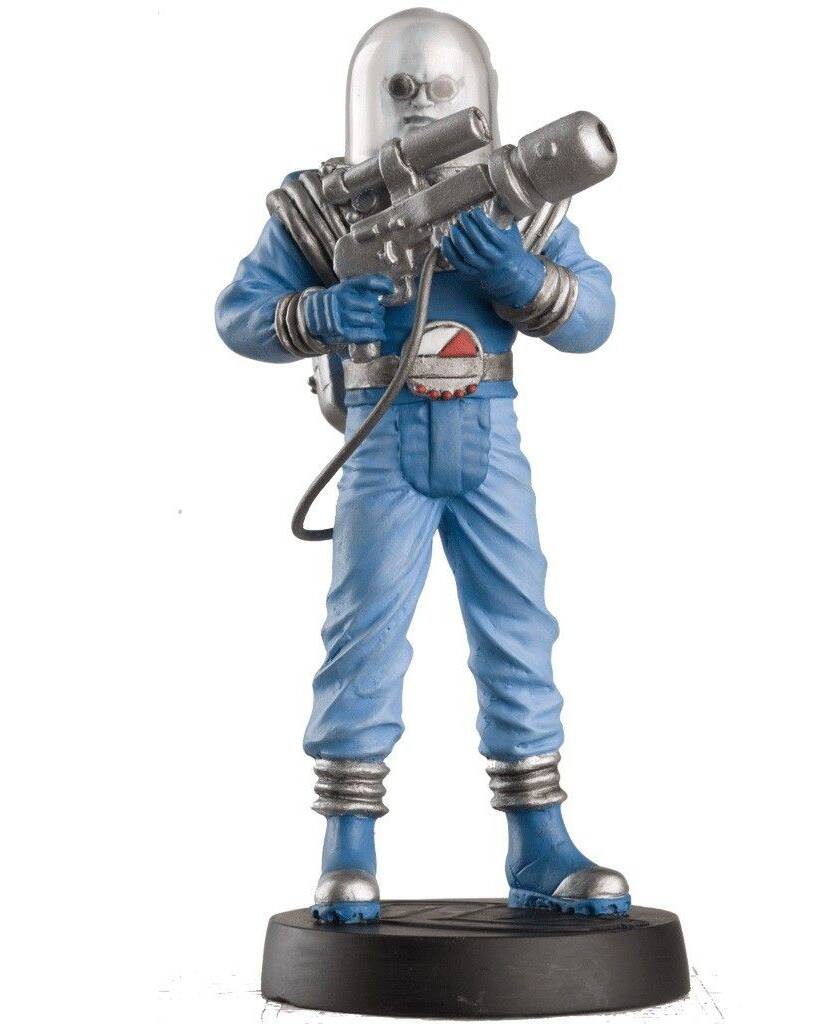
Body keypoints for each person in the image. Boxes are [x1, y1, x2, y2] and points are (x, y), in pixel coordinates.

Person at [216, 8, 628, 923]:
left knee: (519, 630)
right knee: (363, 635)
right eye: (405, 92)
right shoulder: (325, 206)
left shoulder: (518, 200)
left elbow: (594, 315)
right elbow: (240, 312)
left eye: (443, 92)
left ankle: (540, 840)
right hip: (383, 434)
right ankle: (347, 845)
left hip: (488, 430)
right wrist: (319, 314)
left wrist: (520, 278)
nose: (424, 108)